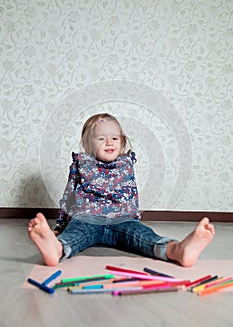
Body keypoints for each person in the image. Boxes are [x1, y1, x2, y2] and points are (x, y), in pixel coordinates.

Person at [28, 113, 215, 267]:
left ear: (122, 142)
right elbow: (68, 197)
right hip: (87, 218)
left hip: (123, 220)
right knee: (75, 235)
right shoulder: (81, 163)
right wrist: (60, 228)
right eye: (101, 138)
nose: (109, 142)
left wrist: (135, 221)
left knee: (145, 237)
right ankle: (56, 249)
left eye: (114, 138)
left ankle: (178, 250)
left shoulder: (126, 163)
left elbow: (132, 193)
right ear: (88, 145)